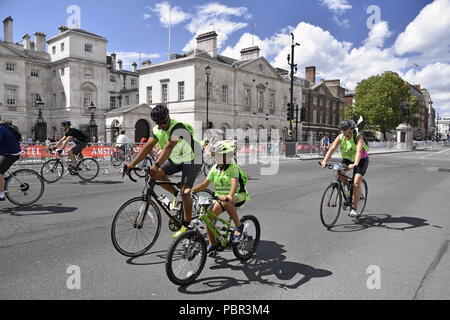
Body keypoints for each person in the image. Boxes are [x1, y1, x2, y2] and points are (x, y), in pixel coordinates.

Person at [126, 104, 203, 238]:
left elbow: (168, 148)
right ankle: (176, 194)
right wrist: (131, 164)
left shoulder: (177, 127)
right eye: (159, 123)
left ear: (168, 116)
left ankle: (187, 225)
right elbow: (147, 148)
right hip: (177, 158)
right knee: (156, 175)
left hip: (193, 157)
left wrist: (155, 165)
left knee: (185, 191)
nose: (162, 125)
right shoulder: (157, 130)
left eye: (164, 122)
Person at [184, 140, 250, 255]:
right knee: (207, 218)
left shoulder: (233, 168)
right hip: (221, 198)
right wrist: (192, 190)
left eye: (219, 155)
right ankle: (213, 244)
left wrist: (229, 196)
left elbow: (234, 184)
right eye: (216, 155)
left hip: (237, 195)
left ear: (227, 156)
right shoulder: (215, 168)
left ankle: (239, 226)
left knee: (226, 202)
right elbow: (205, 184)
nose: (216, 158)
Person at [321, 120, 369, 217]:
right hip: (347, 159)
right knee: (339, 173)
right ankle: (347, 191)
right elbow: (332, 149)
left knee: (356, 183)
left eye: (345, 130)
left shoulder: (358, 137)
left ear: (351, 130)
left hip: (361, 160)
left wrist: (355, 163)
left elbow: (359, 151)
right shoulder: (340, 137)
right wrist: (325, 160)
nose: (343, 132)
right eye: (342, 130)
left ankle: (354, 208)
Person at [0, 124, 22, 201]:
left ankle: (1, 194)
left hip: (12, 154)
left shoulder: (1, 129)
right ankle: (5, 174)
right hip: (4, 152)